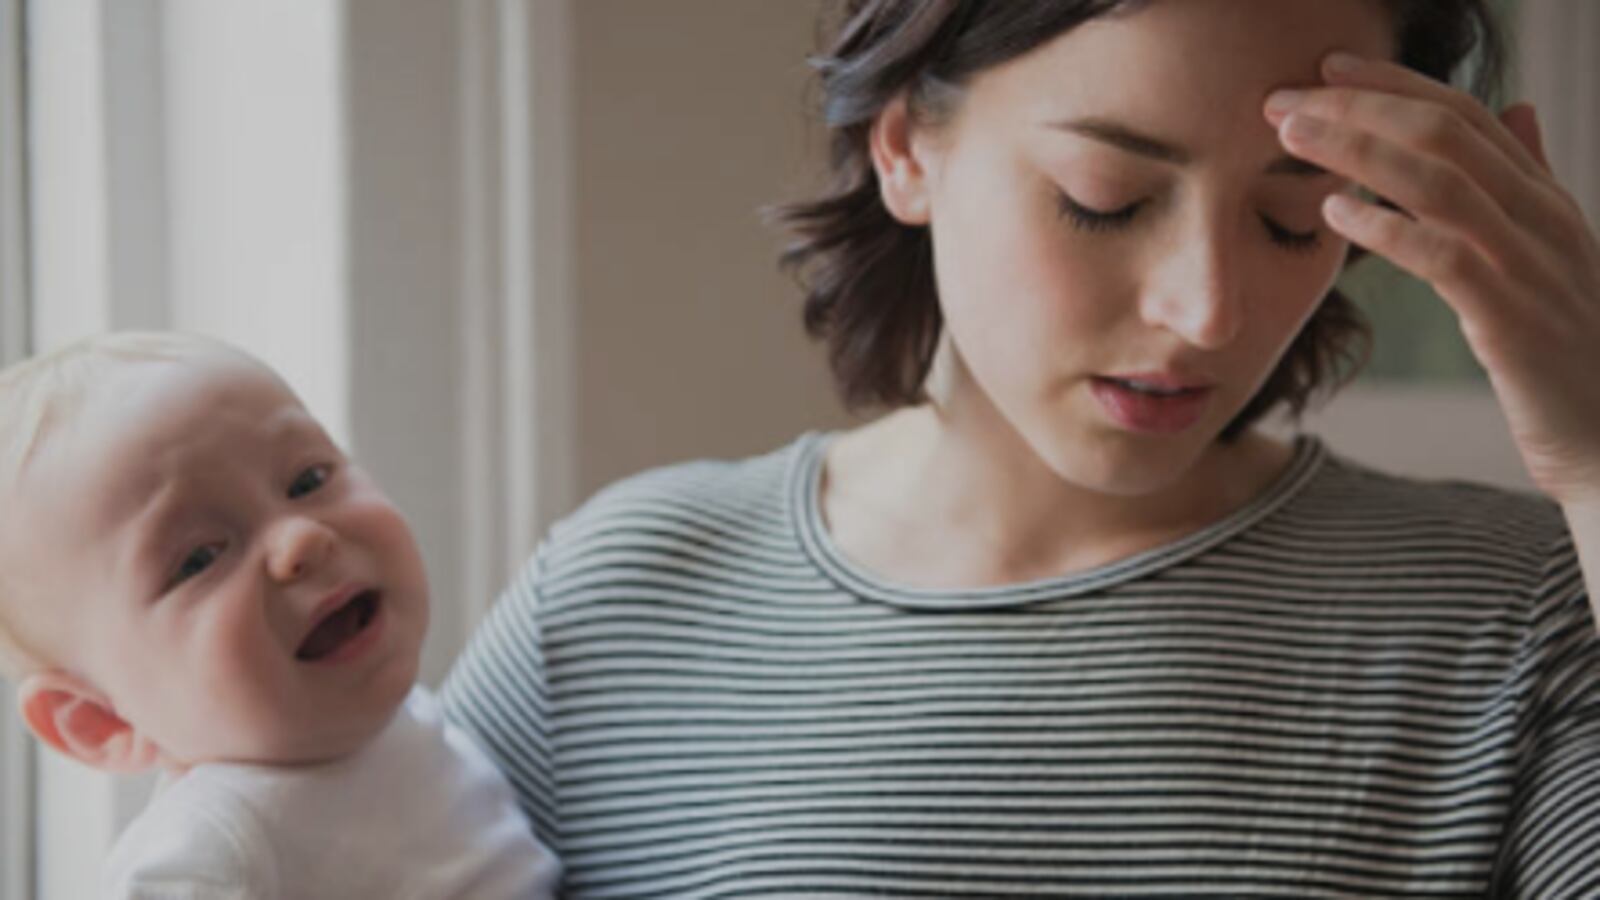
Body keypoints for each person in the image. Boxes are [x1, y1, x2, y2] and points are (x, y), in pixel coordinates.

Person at [442, 0, 1600, 895]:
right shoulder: (612, 604)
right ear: (904, 149)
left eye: (1289, 219)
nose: (1206, 310)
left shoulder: (1522, 607)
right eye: (1104, 198)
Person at [0, 333, 559, 898]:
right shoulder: (210, 854)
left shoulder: (401, 719)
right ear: (101, 720)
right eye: (198, 559)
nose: (301, 541)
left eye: (307, 481)